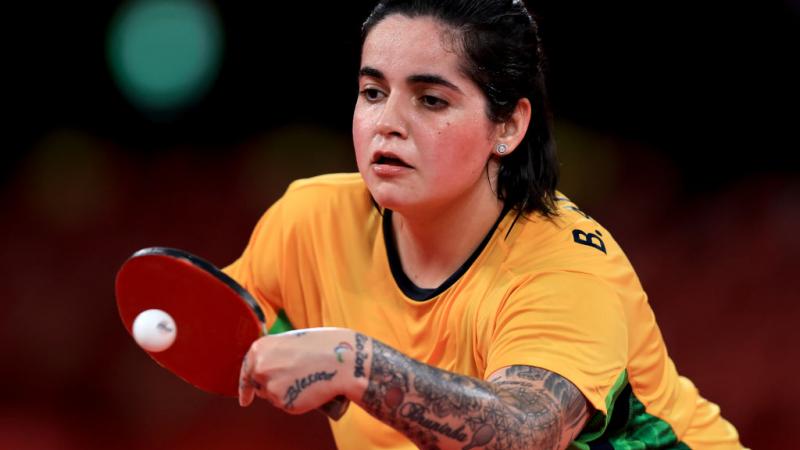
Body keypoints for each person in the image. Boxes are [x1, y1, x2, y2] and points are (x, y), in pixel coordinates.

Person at [225, 0, 744, 448]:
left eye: (431, 99)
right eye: (373, 92)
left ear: (509, 124)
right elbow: (221, 321)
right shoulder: (311, 220)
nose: (387, 123)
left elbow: (523, 434)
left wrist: (359, 366)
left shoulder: (567, 271)